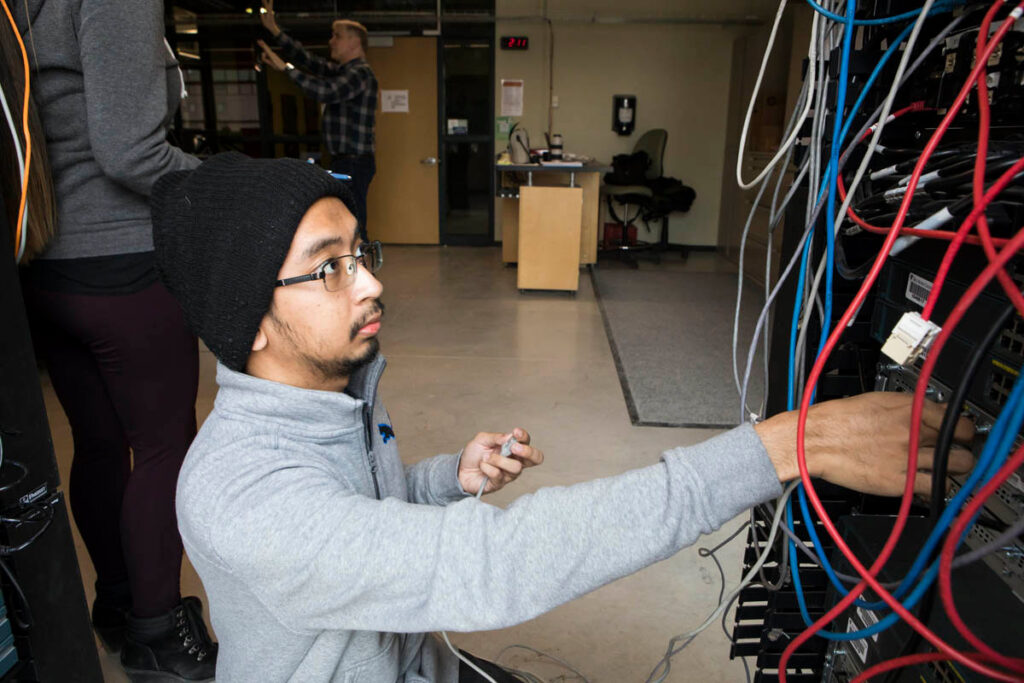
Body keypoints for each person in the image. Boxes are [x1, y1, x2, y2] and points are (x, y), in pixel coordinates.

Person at [150, 152, 976, 683]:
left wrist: (446, 478)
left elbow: (362, 515)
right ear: (248, 321)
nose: (368, 283)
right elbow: (498, 564)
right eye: (328, 270)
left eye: (360, 252)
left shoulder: (335, 384)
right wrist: (791, 444)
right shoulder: (241, 494)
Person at [11, 1, 216, 680]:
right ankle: (158, 634)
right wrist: (224, 183)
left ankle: (120, 605)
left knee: (99, 444)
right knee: (163, 446)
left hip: (47, 263)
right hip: (124, 263)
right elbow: (131, 151)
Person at [257, 0, 378, 241]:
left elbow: (324, 91)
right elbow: (310, 62)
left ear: (354, 42)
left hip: (354, 162)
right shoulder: (345, 71)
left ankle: (360, 273)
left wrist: (285, 69)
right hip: (347, 161)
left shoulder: (360, 74)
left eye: (337, 36)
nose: (331, 41)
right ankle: (354, 270)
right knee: (347, 222)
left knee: (352, 224)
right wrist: (276, 32)